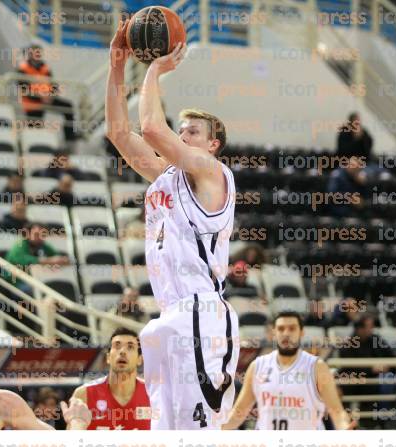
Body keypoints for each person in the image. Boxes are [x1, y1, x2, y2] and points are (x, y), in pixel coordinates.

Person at [106, 21, 239, 429]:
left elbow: (149, 127)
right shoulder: (167, 177)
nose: (181, 135)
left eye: (192, 132)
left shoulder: (213, 173)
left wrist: (152, 69)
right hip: (169, 314)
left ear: (213, 144)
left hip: (201, 314)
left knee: (198, 432)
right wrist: (116, 65)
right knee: (162, 433)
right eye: (179, 130)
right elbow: (118, 131)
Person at [222, 311, 355, 430]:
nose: (286, 333)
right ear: (273, 333)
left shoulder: (317, 367)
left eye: (292, 328)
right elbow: (239, 412)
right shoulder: (257, 366)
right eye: (281, 329)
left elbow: (337, 411)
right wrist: (216, 430)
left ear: (301, 332)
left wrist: (345, 427)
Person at [70, 328, 150, 430]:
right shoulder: (83, 394)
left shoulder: (152, 394)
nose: (122, 352)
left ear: (140, 359)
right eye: (117, 346)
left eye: (130, 347)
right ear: (108, 357)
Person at [17, 44, 76, 142]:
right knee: (35, 128)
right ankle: (35, 145)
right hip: (32, 102)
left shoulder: (45, 68)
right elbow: (24, 89)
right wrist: (40, 97)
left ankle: (70, 138)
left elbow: (54, 86)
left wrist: (51, 96)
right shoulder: (22, 69)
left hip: (48, 99)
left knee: (68, 107)